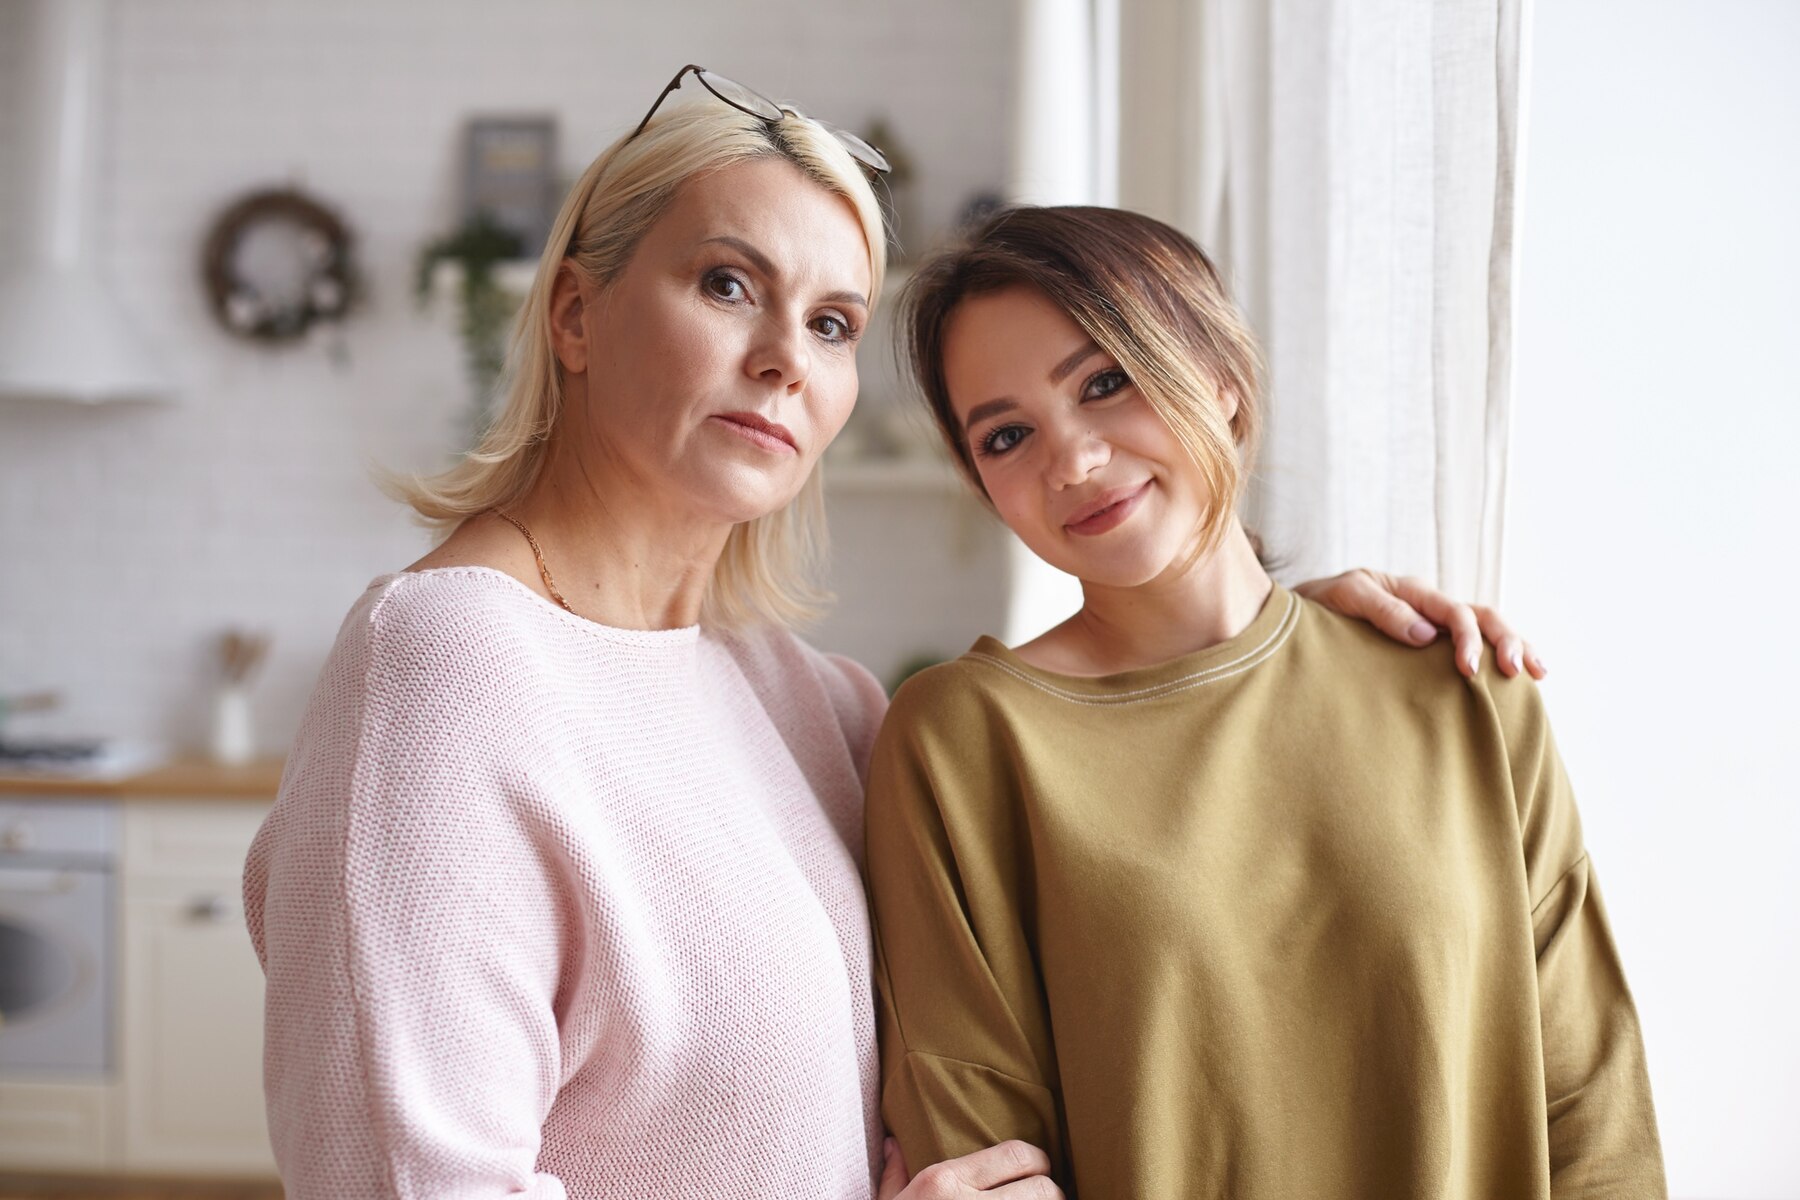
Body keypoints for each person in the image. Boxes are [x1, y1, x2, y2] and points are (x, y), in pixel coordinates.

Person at [244, 68, 1540, 1200]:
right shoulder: (451, 663)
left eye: (831, 323)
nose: (782, 359)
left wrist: (1296, 642)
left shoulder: (811, 703)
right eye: (726, 283)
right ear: (575, 314)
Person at [866, 205, 1665, 1199]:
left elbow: (1593, 1111)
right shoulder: (965, 740)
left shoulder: (1462, 692)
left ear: (1220, 379)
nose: (1068, 461)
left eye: (1104, 382)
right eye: (1006, 436)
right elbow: (979, 1151)